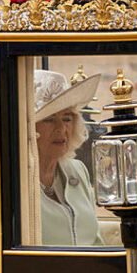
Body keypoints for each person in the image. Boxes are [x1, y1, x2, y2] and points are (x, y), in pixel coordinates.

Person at [29, 70, 104, 246]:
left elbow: (97, 243)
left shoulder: (78, 170)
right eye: (49, 119)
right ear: (28, 127)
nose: (61, 128)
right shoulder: (6, 179)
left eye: (67, 118)